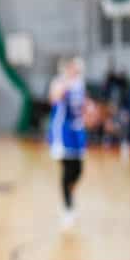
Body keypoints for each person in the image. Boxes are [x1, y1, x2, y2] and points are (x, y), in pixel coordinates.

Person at [48, 56, 87, 230]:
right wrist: (64, 87)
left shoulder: (80, 84)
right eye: (72, 67)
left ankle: (69, 196)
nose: (75, 70)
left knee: (78, 170)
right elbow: (53, 98)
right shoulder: (60, 82)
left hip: (77, 131)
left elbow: (82, 106)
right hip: (62, 132)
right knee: (67, 169)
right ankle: (67, 208)